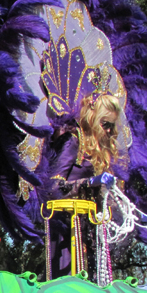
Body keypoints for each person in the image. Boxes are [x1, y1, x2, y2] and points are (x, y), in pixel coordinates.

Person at [47, 93, 122, 278]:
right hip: (67, 231)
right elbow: (53, 188)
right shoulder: (73, 141)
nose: (111, 132)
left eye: (113, 126)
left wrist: (129, 213)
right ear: (93, 119)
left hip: (93, 232)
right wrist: (89, 183)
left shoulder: (102, 152)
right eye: (106, 125)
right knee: (70, 288)